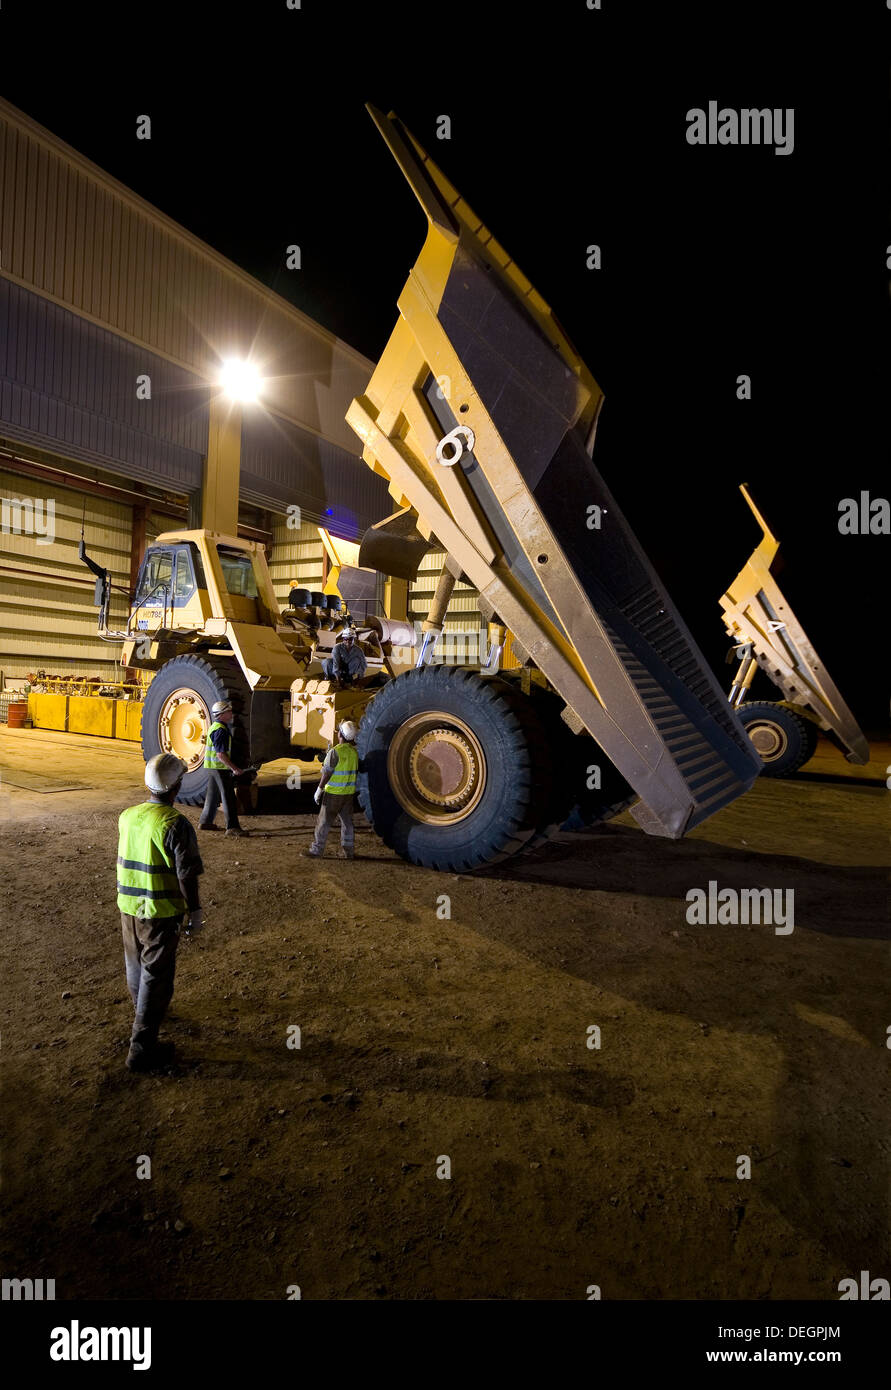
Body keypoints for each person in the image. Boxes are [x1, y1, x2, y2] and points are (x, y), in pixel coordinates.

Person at [117, 753, 204, 1072]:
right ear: (177, 786)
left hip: (129, 907)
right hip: (159, 911)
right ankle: (141, 1050)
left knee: (135, 966)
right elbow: (187, 874)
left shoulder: (128, 816)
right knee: (156, 974)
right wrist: (194, 911)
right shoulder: (176, 824)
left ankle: (145, 1012)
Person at [303, 719, 359, 859]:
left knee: (324, 822)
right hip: (348, 794)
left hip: (333, 794)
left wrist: (319, 790)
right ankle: (349, 852)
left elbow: (327, 773)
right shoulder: (354, 752)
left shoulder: (335, 752)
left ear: (340, 734)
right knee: (348, 824)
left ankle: (317, 850)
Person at [198, 698, 249, 837]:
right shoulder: (221, 730)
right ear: (221, 714)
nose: (231, 713)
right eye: (228, 711)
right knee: (228, 797)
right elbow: (221, 755)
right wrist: (234, 768)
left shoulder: (215, 727)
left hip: (212, 767)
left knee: (212, 795)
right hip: (220, 768)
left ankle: (205, 821)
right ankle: (232, 827)